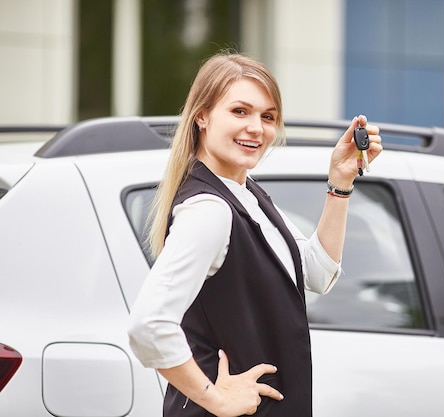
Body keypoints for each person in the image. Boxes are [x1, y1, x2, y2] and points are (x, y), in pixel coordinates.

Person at [127, 51, 382, 417]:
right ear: (201, 115)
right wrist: (216, 398)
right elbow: (147, 326)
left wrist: (339, 183)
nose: (257, 128)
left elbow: (316, 272)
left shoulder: (247, 194)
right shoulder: (210, 211)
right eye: (240, 111)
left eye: (268, 117)